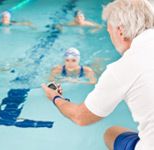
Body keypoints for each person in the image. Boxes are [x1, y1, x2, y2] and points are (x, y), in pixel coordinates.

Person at [42, 0, 154, 150]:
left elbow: (81, 117)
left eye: (109, 31)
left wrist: (55, 97)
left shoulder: (122, 68)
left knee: (111, 133)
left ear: (120, 31)